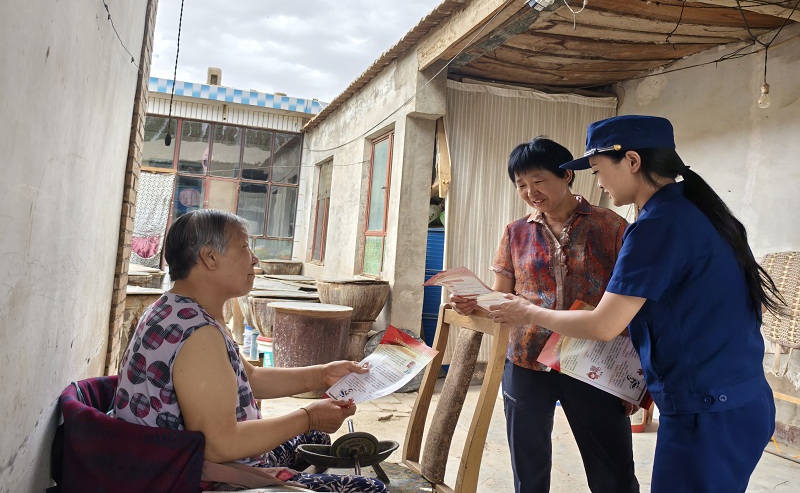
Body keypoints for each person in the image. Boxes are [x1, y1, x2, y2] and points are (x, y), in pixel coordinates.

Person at [488, 115, 782, 492]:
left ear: (631, 161)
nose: (599, 182)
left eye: (597, 169)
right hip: (728, 398)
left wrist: (527, 312)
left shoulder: (650, 227)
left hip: (704, 407)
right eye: (521, 185)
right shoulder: (694, 210)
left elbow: (605, 324)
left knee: (612, 470)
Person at [113, 209, 387, 492]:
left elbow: (251, 378)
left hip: (184, 461)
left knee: (317, 437)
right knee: (370, 489)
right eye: (244, 247)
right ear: (210, 258)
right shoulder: (199, 335)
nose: (254, 258)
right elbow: (220, 445)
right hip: (200, 477)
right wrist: (309, 416)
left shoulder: (175, 309)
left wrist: (322, 375)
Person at [451, 137, 639, 493]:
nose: (530, 191)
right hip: (526, 359)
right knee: (528, 464)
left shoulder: (610, 226)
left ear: (567, 175)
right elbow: (502, 296)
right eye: (521, 184)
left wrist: (631, 380)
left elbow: (630, 303)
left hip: (592, 360)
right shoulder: (516, 233)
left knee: (611, 466)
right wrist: (473, 303)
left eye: (538, 180)